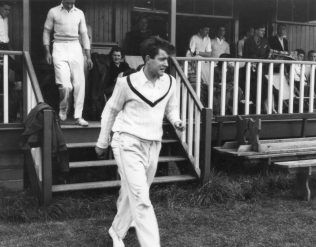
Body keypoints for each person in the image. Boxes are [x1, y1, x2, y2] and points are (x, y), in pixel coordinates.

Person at [95, 36, 184, 247]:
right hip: (127, 142)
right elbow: (110, 111)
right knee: (142, 199)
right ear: (147, 59)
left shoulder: (171, 82)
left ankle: (116, 232)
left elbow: (171, 109)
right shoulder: (126, 83)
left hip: (153, 144)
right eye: (162, 59)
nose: (166, 64)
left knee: (133, 193)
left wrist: (177, 121)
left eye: (167, 60)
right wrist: (102, 141)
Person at [43, 0, 93, 126]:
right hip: (59, 47)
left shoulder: (79, 13)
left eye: (72, 3)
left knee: (79, 83)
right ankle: (63, 108)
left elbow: (84, 34)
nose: (70, 5)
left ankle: (78, 116)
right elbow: (46, 31)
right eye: (68, 3)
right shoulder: (53, 11)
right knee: (65, 85)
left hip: (75, 46)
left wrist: (88, 56)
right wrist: (47, 52)